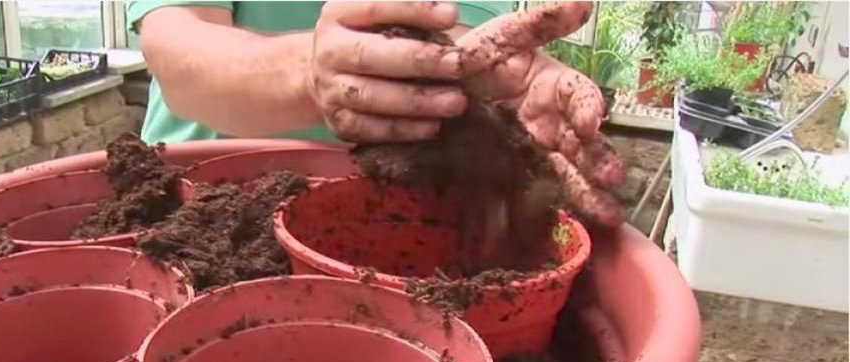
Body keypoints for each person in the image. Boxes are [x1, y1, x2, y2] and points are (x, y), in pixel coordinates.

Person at [128, 1, 624, 226]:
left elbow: (449, 38)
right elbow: (178, 53)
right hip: (203, 203)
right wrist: (308, 73)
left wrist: (495, 95)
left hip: (394, 212)